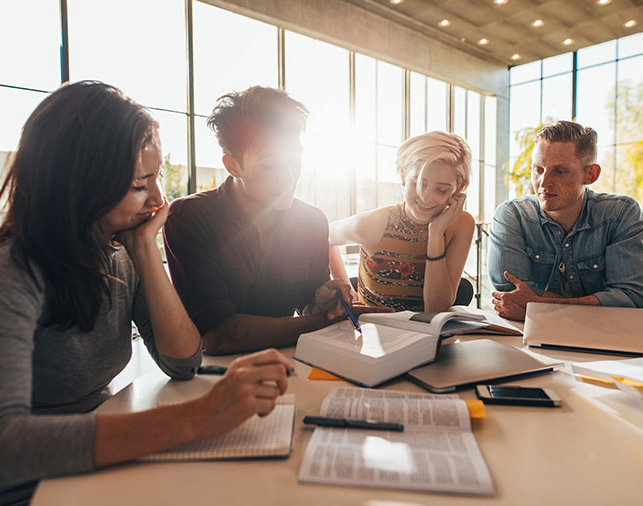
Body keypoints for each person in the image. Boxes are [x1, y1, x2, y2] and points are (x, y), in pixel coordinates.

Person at [0, 81, 292, 505]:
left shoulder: (120, 251)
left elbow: (182, 362)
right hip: (24, 486)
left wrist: (145, 251)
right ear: (81, 185)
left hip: (97, 459)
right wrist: (200, 416)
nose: (160, 200)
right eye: (141, 184)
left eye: (157, 178)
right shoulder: (11, 271)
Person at [164, 86, 364, 356]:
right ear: (233, 165)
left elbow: (307, 302)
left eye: (296, 159)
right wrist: (320, 323)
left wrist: (321, 300)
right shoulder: (189, 218)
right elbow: (219, 335)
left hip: (288, 364)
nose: (289, 176)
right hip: (215, 378)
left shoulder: (312, 221)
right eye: (270, 165)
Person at [489, 120, 643, 321]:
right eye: (538, 170)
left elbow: (632, 298)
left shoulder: (620, 214)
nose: (543, 183)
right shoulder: (512, 216)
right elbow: (509, 299)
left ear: (591, 174)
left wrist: (539, 306)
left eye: (559, 171)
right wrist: (595, 303)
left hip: (605, 343)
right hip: (530, 340)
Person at [329, 131, 476, 312]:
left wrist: (436, 233)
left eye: (441, 190)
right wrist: (349, 296)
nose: (426, 198)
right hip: (374, 334)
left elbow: (436, 309)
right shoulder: (374, 224)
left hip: (430, 336)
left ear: (459, 189)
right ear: (403, 176)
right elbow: (325, 236)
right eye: (419, 183)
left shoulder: (460, 224)